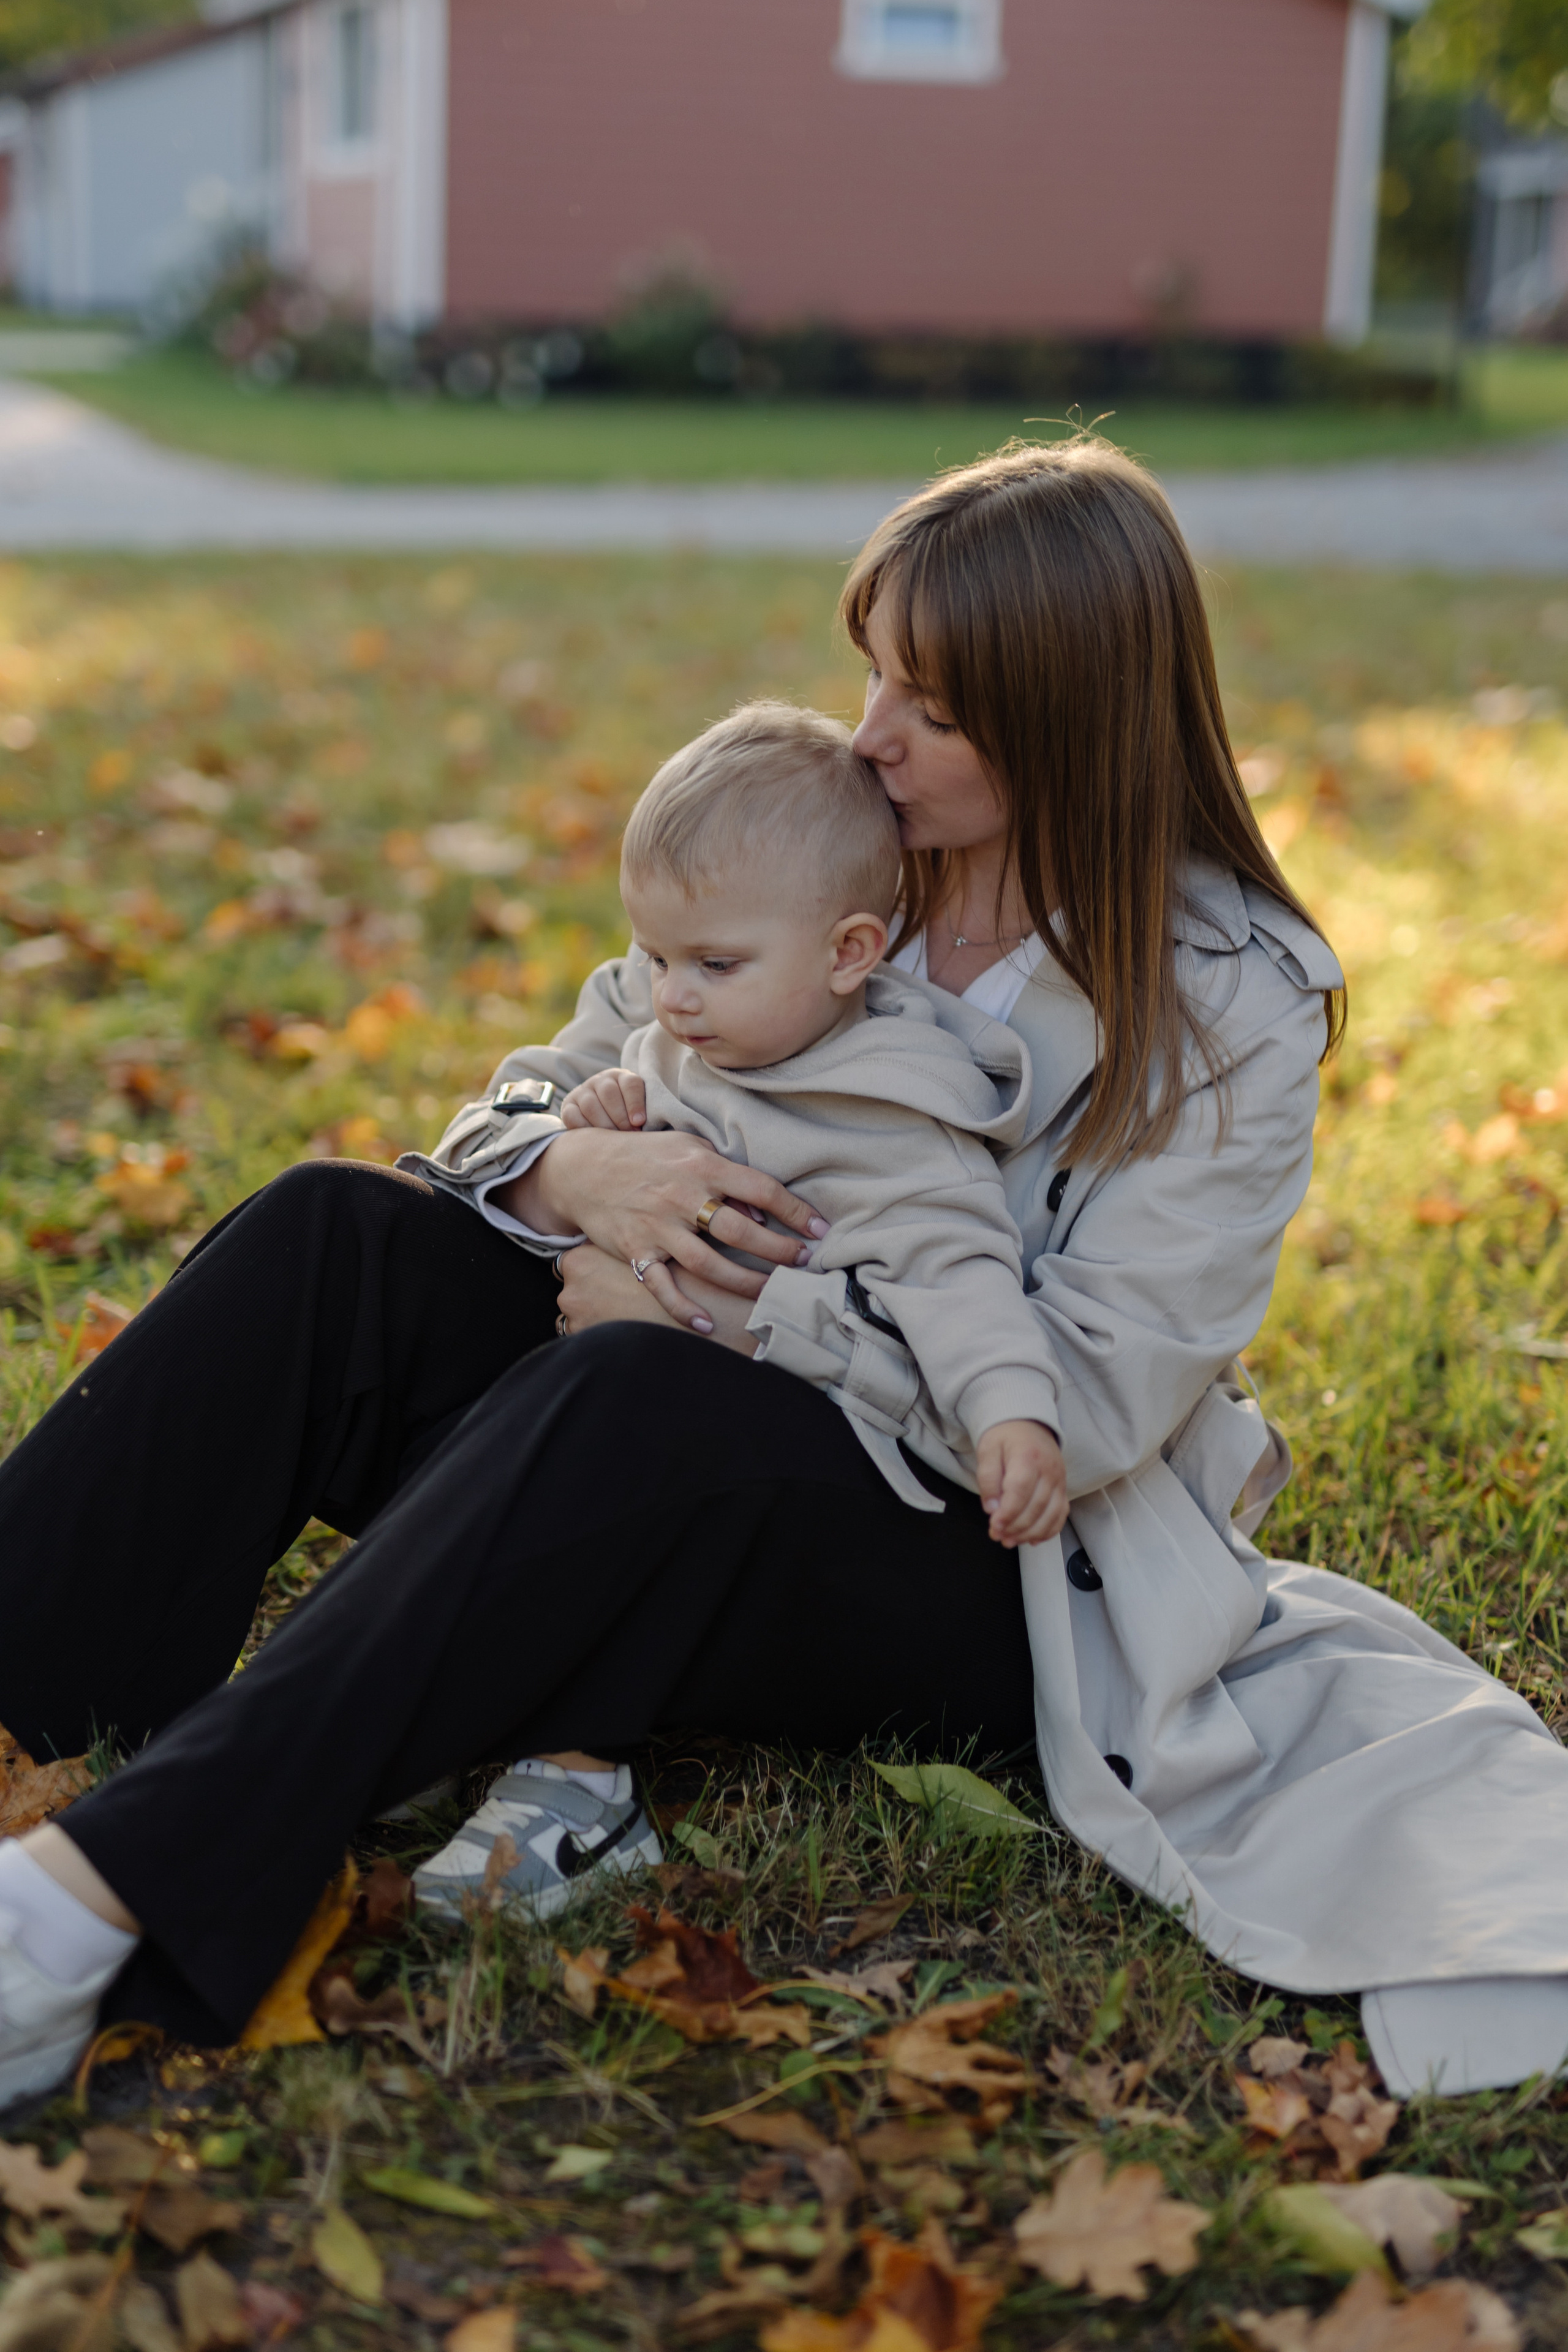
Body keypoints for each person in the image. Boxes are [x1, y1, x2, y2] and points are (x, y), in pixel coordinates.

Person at [2, 438, 1567, 2112]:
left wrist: (734, 1312)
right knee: (335, 1236)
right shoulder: (831, 834)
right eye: (876, 673)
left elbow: (1098, 1398)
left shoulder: (1229, 1001)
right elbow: (539, 1079)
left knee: (639, 1390)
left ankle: (80, 1916)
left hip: (981, 1568)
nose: (875, 733)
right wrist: (569, 1164)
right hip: (647, 1440)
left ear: (1070, 723)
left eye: (939, 711)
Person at [407, 695, 1071, 1915]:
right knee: (517, 1406)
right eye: (655, 958)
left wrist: (1012, 1420)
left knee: (623, 1425)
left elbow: (964, 1286)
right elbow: (514, 1114)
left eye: (710, 966)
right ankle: (439, 1701)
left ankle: (572, 1772)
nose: (671, 996)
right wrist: (581, 1137)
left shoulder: (891, 1122)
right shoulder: (684, 1041)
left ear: (848, 954)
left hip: (779, 1481)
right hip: (605, 1415)